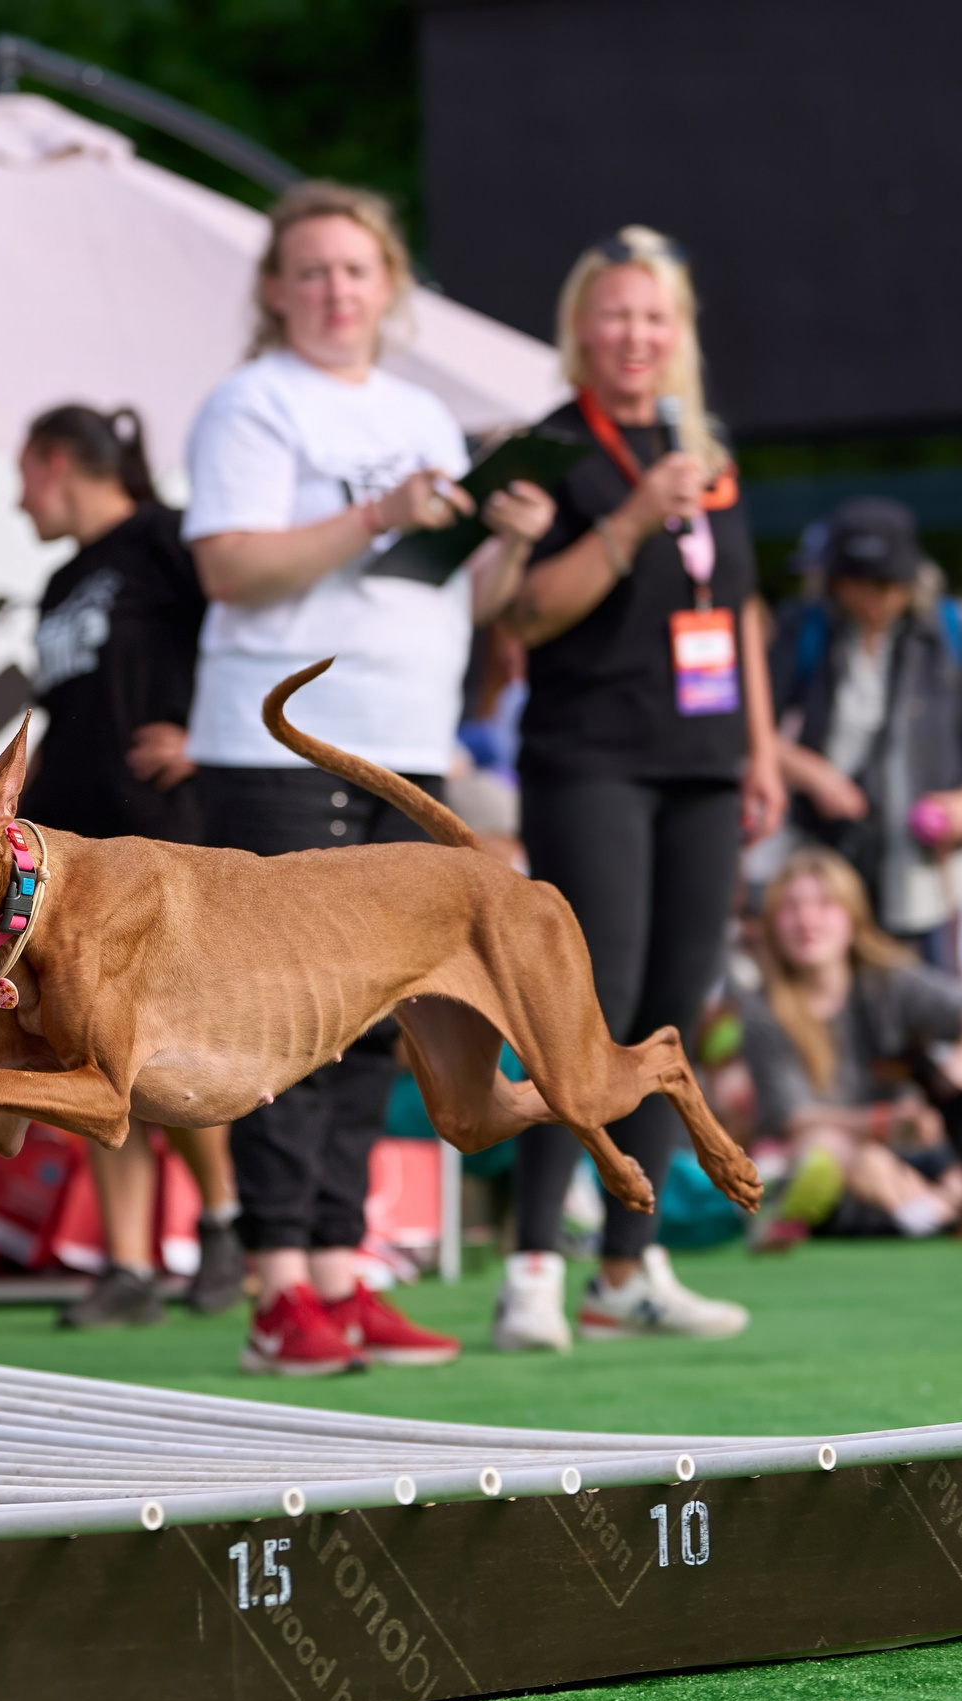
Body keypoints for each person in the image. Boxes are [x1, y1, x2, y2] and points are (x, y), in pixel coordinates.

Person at [181, 180, 554, 1377]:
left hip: (405, 738)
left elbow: (458, 596)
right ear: (276, 290)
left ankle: (342, 1271)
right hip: (277, 740)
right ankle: (277, 1284)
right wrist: (378, 514)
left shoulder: (423, 412)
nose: (337, 290)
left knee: (376, 1015)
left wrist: (506, 541)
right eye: (313, 270)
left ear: (389, 286)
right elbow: (229, 568)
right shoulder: (248, 405)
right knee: (282, 1018)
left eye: (356, 270)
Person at [490, 225, 784, 1352]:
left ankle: (627, 1263)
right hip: (590, 755)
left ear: (680, 335)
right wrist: (625, 515)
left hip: (704, 760)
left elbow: (741, 608)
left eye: (654, 318)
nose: (635, 335)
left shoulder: (706, 449)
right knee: (583, 1008)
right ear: (580, 327)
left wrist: (759, 748)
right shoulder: (550, 448)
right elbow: (524, 616)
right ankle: (530, 1265)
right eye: (615, 314)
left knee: (677, 1008)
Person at [12, 402, 245, 1328]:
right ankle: (127, 1265)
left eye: (21, 471)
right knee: (85, 1050)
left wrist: (212, 737)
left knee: (167, 1047)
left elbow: (243, 628)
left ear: (57, 461)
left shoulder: (164, 537)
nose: (15, 493)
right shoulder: (61, 577)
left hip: (159, 840)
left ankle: (225, 1224)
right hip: (70, 853)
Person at [742, 847, 962, 1249]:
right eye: (791, 908)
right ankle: (931, 1209)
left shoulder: (889, 981)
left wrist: (942, 1091)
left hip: (923, 1154)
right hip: (850, 1160)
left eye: (825, 904)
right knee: (825, 1149)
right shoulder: (761, 1010)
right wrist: (880, 1124)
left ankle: (937, 1207)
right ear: (771, 925)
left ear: (853, 917)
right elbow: (794, 1118)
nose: (808, 920)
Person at [775, 497, 962, 968]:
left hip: (921, 862)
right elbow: (748, 731)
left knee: (920, 980)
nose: (872, 599)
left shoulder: (946, 632)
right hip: (827, 852)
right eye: (858, 585)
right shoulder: (805, 627)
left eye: (886, 586)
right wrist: (813, 775)